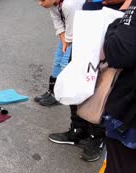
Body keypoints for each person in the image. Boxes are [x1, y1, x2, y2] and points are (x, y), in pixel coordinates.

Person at [75, 0, 136, 173]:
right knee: (132, 165)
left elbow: (119, 50)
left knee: (119, 166)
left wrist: (116, 23)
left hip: (130, 105)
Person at [47, 0, 125, 163]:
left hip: (112, 21)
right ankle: (77, 129)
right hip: (87, 19)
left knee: (101, 84)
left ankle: (96, 136)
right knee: (76, 76)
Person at [35, 0, 85, 106]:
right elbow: (57, 22)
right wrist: (63, 41)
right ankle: (52, 91)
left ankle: (61, 95)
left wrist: (66, 44)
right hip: (68, 33)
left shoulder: (70, 4)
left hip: (80, 34)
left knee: (65, 63)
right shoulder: (53, 4)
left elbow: (73, 31)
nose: (40, 3)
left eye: (42, 0)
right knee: (58, 59)